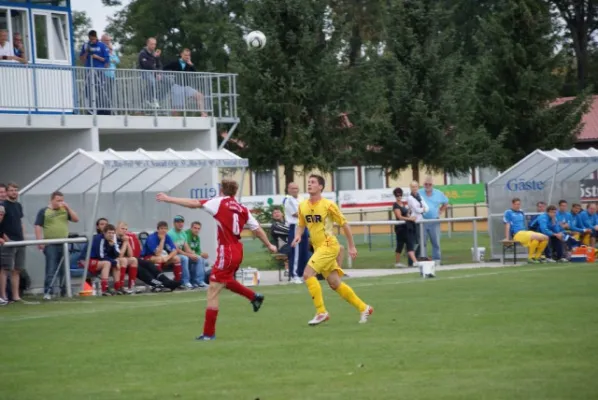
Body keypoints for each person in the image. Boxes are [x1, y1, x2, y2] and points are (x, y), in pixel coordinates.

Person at [156, 179, 278, 340]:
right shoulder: (242, 209)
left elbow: (194, 203)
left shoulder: (219, 202)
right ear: (234, 192)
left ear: (221, 190)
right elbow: (257, 229)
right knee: (225, 280)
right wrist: (269, 245)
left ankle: (208, 333)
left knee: (213, 289)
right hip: (237, 250)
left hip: (226, 250)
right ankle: (253, 297)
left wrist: (169, 199)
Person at [292, 174, 373, 326]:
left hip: (329, 245)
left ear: (320, 187)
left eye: (313, 182)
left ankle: (321, 312)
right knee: (335, 283)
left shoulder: (328, 205)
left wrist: (351, 245)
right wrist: (298, 236)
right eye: (308, 182)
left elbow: (344, 224)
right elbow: (301, 224)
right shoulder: (302, 205)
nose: (309, 185)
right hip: (319, 249)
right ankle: (364, 308)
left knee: (307, 274)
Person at [34, 191, 79, 300]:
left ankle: (64, 291)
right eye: (58, 200)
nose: (60, 202)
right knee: (51, 268)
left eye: (62, 200)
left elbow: (76, 219)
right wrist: (40, 241)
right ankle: (48, 292)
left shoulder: (64, 210)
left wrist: (68, 208)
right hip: (50, 243)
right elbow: (38, 226)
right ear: (52, 200)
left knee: (64, 268)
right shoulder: (44, 211)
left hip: (64, 243)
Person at [0, 182, 25, 303]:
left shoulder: (18, 206)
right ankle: (3, 296)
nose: (14, 192)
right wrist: (3, 237)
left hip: (19, 240)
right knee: (5, 269)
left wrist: (23, 238)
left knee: (17, 269)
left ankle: (16, 296)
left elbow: (20, 222)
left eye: (16, 190)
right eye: (11, 190)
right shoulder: (3, 205)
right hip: (8, 242)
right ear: (7, 192)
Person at [503, 198, 549, 263]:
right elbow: (507, 225)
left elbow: (524, 223)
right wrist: (507, 238)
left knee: (544, 239)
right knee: (543, 237)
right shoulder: (508, 212)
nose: (518, 206)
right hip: (517, 234)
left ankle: (535, 257)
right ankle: (533, 257)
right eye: (516, 204)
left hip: (524, 232)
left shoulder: (521, 211)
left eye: (519, 204)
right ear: (512, 204)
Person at [419, 176, 448, 265]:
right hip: (422, 221)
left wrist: (441, 211)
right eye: (426, 184)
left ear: (433, 185)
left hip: (434, 221)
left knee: (435, 241)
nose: (427, 185)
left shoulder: (438, 193)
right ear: (423, 184)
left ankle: (437, 260)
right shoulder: (419, 192)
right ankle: (423, 260)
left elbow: (446, 202)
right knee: (422, 242)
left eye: (429, 184)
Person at [283, 182, 309, 284]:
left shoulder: (302, 198)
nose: (295, 190)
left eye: (296, 188)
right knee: (296, 252)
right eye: (293, 188)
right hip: (295, 227)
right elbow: (295, 214)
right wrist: (308, 214)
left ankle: (302, 274)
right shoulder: (287, 199)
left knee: (304, 251)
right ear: (288, 189)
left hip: (304, 226)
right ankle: (294, 275)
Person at [392, 188, 419, 268]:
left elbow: (406, 214)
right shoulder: (395, 205)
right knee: (400, 245)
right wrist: (410, 218)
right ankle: (399, 262)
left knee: (409, 244)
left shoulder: (403, 204)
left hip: (406, 227)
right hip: (400, 229)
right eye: (397, 195)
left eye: (400, 194)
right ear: (395, 196)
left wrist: (410, 214)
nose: (399, 196)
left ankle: (414, 261)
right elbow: (399, 216)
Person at [185, 221, 209, 288]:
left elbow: (198, 251)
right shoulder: (187, 235)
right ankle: (200, 281)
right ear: (191, 228)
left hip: (192, 255)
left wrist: (202, 254)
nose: (197, 230)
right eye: (195, 228)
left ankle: (194, 281)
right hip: (185, 254)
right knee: (199, 259)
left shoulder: (197, 237)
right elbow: (187, 249)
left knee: (205, 261)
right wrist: (199, 254)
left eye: (198, 229)